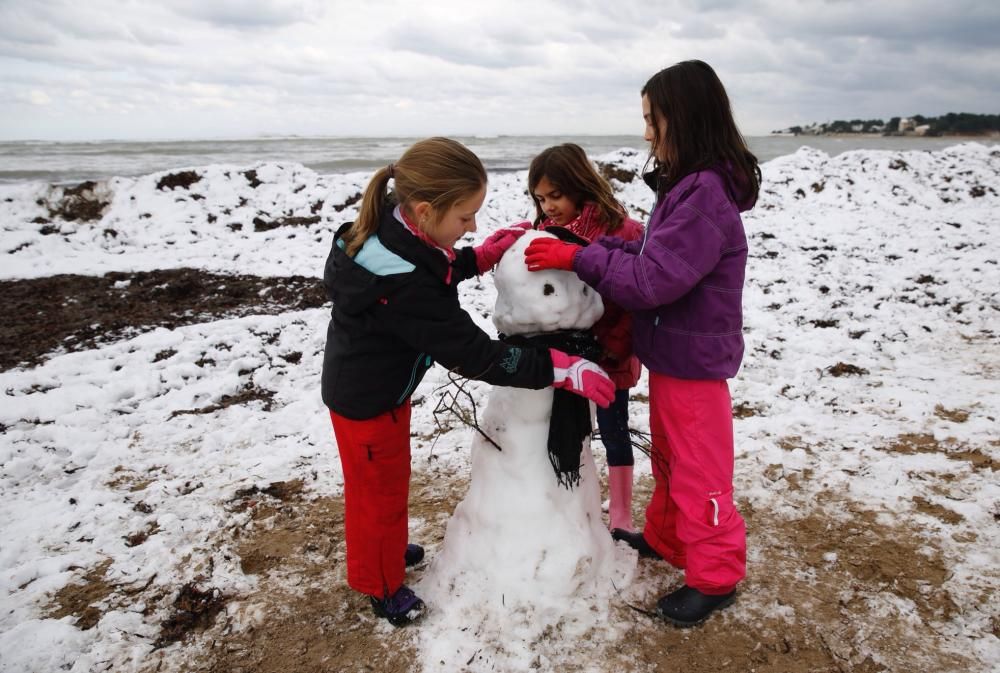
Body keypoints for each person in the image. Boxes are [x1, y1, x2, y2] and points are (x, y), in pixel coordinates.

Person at [321, 137, 615, 627]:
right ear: (424, 209)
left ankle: (386, 550)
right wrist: (559, 367)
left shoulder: (396, 232)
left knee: (389, 483)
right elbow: (474, 353)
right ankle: (380, 582)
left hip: (376, 389)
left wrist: (475, 258)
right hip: (367, 400)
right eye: (465, 218)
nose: (473, 226)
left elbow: (427, 265)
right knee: (375, 494)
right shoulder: (404, 284)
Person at [523, 61, 761, 627]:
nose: (647, 132)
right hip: (675, 357)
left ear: (682, 117)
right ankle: (669, 539)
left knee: (700, 470)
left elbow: (655, 282)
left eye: (653, 119)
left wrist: (577, 256)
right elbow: (653, 257)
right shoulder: (687, 187)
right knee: (673, 458)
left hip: (695, 365)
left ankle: (716, 575)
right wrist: (599, 252)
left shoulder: (703, 196)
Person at [527, 143, 644, 532]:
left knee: (614, 428)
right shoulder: (544, 232)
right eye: (540, 199)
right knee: (571, 428)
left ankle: (623, 511)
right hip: (569, 356)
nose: (547, 207)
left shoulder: (622, 231)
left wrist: (615, 346)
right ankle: (575, 496)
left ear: (579, 185)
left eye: (555, 196)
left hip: (611, 352)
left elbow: (635, 300)